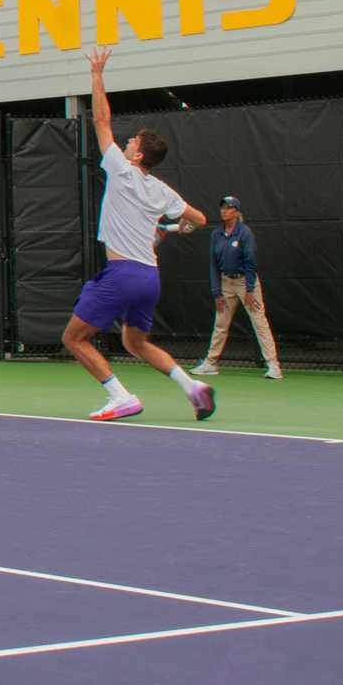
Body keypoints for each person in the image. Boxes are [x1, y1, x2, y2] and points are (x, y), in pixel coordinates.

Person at [61, 48, 216, 423]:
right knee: (135, 342)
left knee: (73, 339)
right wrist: (175, 229)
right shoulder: (162, 191)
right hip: (149, 277)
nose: (125, 142)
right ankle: (193, 388)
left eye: (131, 143)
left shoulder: (122, 170)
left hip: (124, 274)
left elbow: (101, 120)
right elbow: (200, 219)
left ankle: (121, 396)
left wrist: (97, 74)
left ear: (137, 156)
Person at [193, 196, 281, 380]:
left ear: (236, 212)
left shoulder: (245, 233)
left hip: (246, 284)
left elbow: (250, 261)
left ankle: (273, 365)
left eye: (229, 208)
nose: (224, 211)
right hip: (226, 284)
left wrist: (249, 289)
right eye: (222, 207)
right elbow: (213, 265)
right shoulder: (216, 234)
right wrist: (217, 292)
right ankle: (211, 363)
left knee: (259, 322)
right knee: (220, 324)